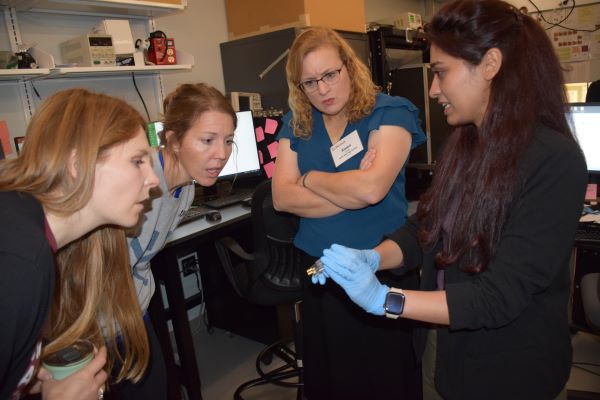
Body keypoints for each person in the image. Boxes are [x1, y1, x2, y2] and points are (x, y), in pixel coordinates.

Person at [316, 1, 588, 399]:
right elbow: (425, 226)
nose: (433, 89)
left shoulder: (554, 160)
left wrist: (385, 299)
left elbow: (500, 294)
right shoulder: (465, 143)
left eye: (441, 72)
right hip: (442, 348)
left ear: (491, 63)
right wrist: (374, 256)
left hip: (508, 369)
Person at [272, 26, 427, 399]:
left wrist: (307, 178)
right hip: (319, 270)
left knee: (385, 376)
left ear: (348, 67)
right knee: (331, 375)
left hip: (380, 264)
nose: (322, 90)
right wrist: (353, 185)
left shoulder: (390, 112)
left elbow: (372, 190)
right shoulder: (297, 122)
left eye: (330, 75)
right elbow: (281, 198)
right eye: (310, 82)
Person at [0, 88, 160, 400]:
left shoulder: (29, 234)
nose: (153, 179)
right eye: (137, 160)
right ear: (78, 164)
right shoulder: (19, 261)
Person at [112, 83, 236, 398]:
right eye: (207, 140)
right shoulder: (138, 179)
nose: (221, 154)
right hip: (101, 318)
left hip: (133, 307)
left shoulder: (187, 188)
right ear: (173, 139)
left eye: (228, 140)